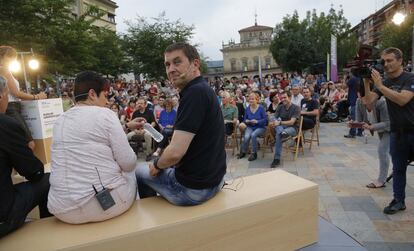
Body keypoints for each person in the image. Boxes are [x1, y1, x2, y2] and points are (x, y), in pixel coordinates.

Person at [48, 71, 145, 224]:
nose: (107, 102)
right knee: (134, 170)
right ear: (92, 94)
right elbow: (128, 163)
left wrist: (125, 127)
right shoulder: (105, 114)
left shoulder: (60, 119)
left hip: (60, 208)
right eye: (105, 96)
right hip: (101, 207)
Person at [135, 42, 226, 206]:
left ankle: (149, 215)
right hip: (214, 181)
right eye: (167, 64)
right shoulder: (202, 89)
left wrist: (157, 164)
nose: (170, 69)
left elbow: (176, 153)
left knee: (138, 171)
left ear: (195, 64)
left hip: (194, 190)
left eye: (177, 62)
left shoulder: (194, 93)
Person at [362, 47, 414, 215]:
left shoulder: (410, 78)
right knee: (398, 168)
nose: (386, 64)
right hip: (396, 132)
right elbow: (369, 104)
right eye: (384, 61)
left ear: (400, 61)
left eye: (390, 60)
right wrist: (366, 83)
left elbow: (402, 99)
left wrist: (380, 86)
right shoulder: (383, 82)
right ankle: (398, 201)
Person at [0, 75, 52, 238]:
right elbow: (34, 172)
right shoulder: (5, 124)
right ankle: (50, 237)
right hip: (3, 217)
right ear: (1, 95)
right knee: (48, 180)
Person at [0, 46, 47, 150]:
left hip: (10, 107)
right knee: (28, 142)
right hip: (11, 108)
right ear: (2, 57)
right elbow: (16, 93)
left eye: (14, 58)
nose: (13, 60)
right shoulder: (3, 69)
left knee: (15, 142)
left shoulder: (5, 70)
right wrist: (37, 96)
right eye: (10, 57)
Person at [354, 80, 390, 189]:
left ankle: (381, 180)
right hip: (380, 130)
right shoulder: (359, 102)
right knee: (385, 152)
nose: (363, 100)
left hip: (391, 129)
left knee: (382, 151)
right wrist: (352, 124)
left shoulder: (381, 102)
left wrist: (372, 127)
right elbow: (359, 120)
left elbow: (388, 122)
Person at [270, 91, 301, 168]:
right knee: (279, 132)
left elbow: (291, 122)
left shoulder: (296, 108)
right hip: (281, 128)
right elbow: (274, 118)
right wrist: (275, 121)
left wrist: (279, 123)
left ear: (290, 98)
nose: (283, 99)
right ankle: (282, 134)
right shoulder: (280, 107)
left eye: (285, 97)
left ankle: (276, 159)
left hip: (292, 128)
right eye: (282, 98)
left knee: (278, 133)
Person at [238, 92, 267, 161]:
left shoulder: (261, 108)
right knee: (247, 136)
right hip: (250, 126)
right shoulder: (248, 108)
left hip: (260, 127)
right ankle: (243, 151)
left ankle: (254, 153)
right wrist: (247, 121)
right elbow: (244, 119)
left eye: (253, 99)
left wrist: (257, 121)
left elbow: (265, 120)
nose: (251, 100)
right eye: (250, 99)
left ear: (257, 100)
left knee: (253, 135)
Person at [344, 73, 363, 138]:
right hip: (360, 99)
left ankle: (352, 133)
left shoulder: (353, 79)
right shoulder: (360, 78)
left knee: (353, 117)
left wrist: (345, 78)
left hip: (353, 100)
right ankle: (360, 132)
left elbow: (345, 85)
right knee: (360, 117)